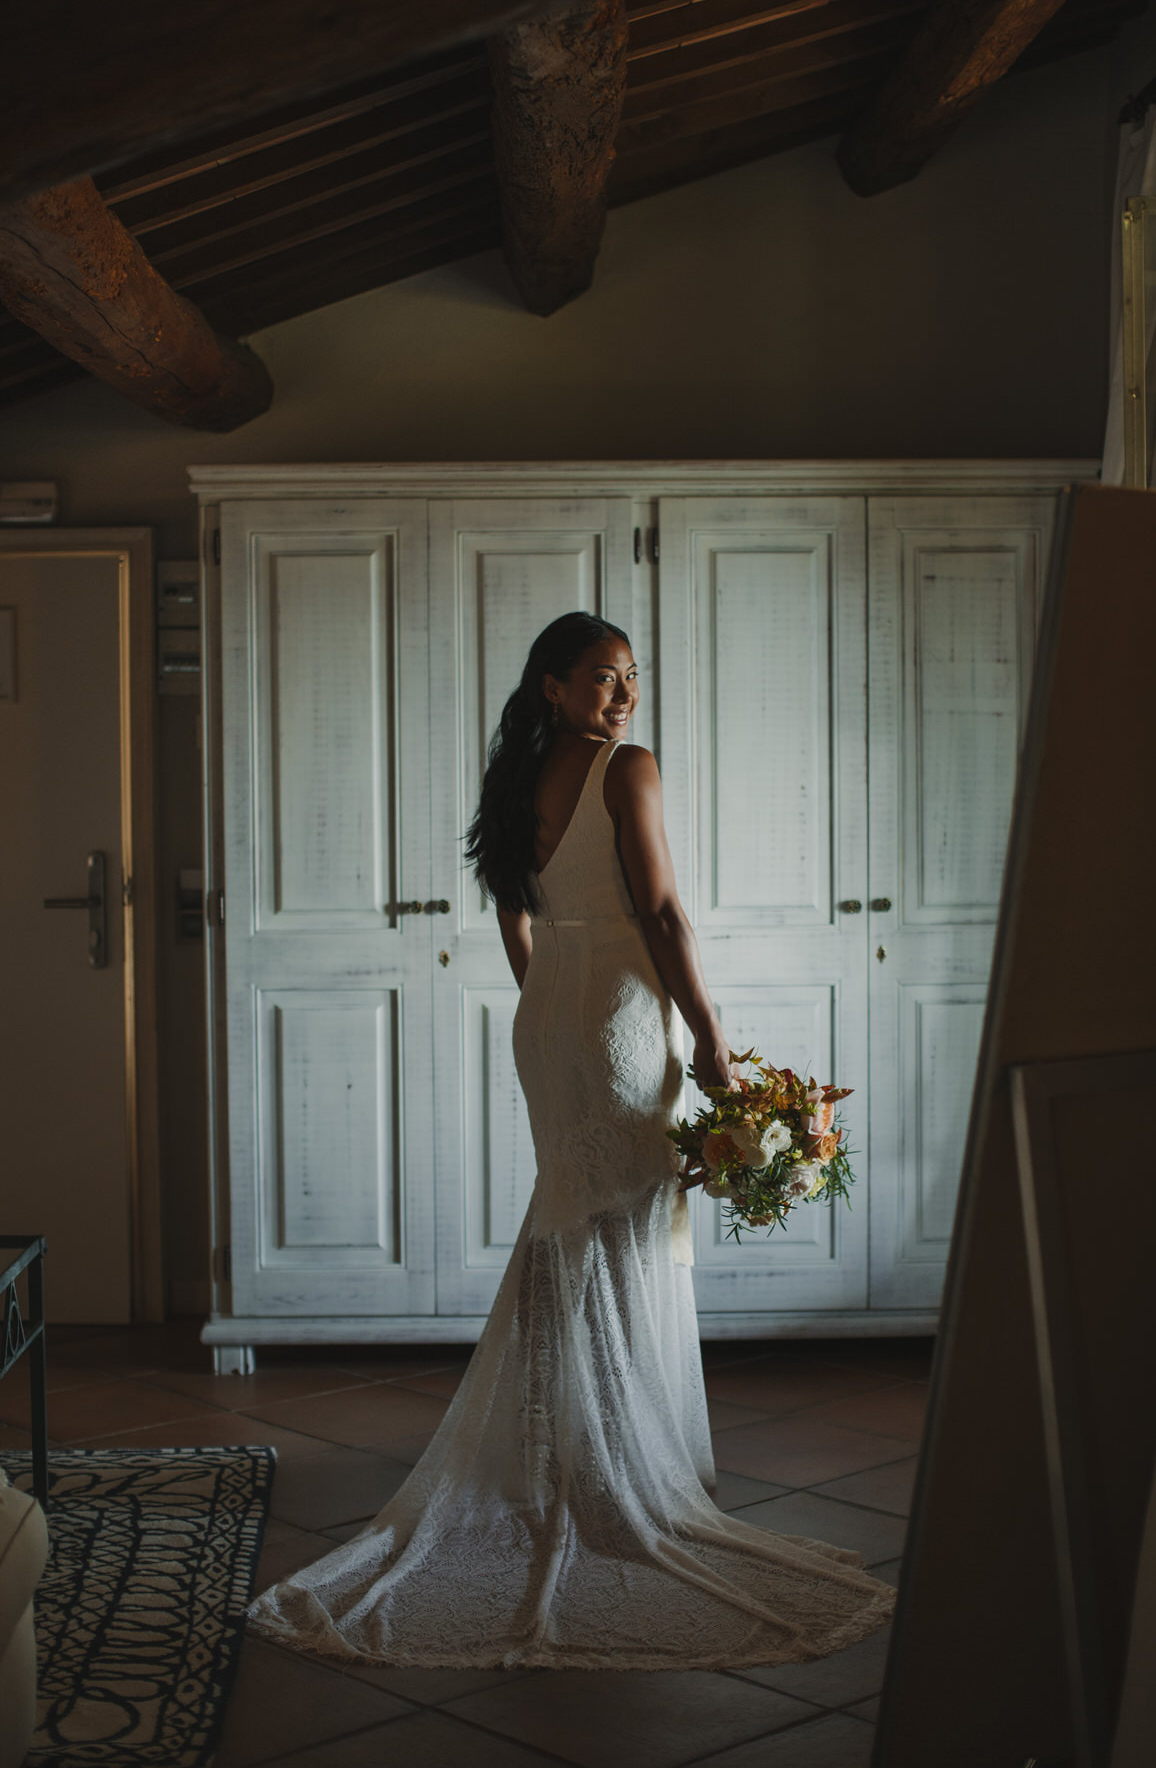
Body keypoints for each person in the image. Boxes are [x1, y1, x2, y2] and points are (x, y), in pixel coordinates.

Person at [248, 612, 894, 1670]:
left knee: (574, 1217)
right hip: (619, 1013)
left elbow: (517, 913)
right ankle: (610, 1471)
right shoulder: (622, 768)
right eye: (602, 676)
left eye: (632, 677)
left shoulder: (518, 775)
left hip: (551, 1013)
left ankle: (571, 1458)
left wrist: (549, 995)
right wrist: (715, 1044)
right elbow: (667, 915)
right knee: (623, 1223)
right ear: (552, 685)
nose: (624, 695)